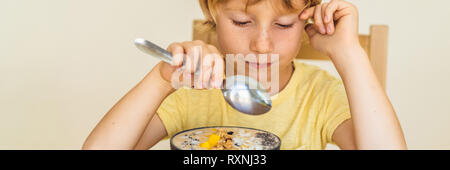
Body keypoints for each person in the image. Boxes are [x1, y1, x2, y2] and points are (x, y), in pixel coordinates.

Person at [83, 0, 407, 150]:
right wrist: (162, 78)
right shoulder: (192, 89)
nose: (262, 44)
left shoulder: (318, 94)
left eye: (283, 25)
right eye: (241, 22)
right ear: (212, 12)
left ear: (305, 18)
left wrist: (348, 54)